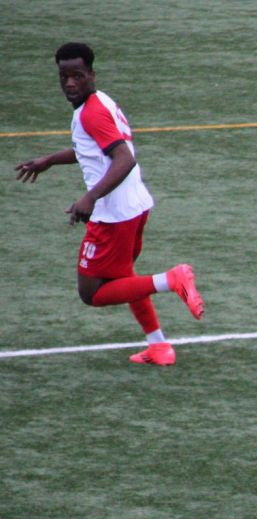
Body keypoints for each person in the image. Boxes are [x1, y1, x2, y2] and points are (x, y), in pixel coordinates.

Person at [14, 42, 203, 365]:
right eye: (64, 76)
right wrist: (50, 160)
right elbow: (92, 149)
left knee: (92, 293)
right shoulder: (98, 103)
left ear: (92, 74)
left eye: (77, 76)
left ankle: (171, 279)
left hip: (113, 215)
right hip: (134, 206)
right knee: (124, 280)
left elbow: (124, 158)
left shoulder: (92, 112)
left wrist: (90, 197)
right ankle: (159, 346)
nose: (70, 83)